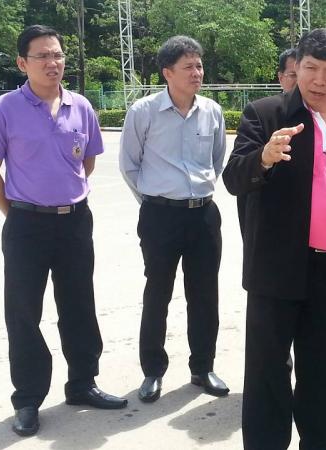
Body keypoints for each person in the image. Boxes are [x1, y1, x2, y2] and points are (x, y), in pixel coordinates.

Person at [223, 28, 326, 450]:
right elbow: (234, 178)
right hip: (277, 267)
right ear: (296, 68)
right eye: (310, 68)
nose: (318, 79)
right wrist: (263, 157)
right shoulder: (266, 115)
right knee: (268, 368)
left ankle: (320, 439)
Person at [0, 24, 127, 437]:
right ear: (22, 63)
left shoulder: (81, 107)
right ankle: (27, 399)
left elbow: (86, 162)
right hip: (26, 224)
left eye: (57, 54)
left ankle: (82, 384)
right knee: (24, 312)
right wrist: (16, 214)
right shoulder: (5, 108)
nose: (52, 62)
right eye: (42, 55)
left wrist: (65, 199)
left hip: (74, 221)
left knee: (79, 305)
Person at [119, 35, 229, 403]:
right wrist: (154, 201)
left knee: (205, 295)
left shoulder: (212, 111)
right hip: (159, 217)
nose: (197, 72)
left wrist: (197, 193)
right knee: (158, 293)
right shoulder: (143, 111)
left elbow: (216, 160)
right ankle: (153, 371)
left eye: (199, 65)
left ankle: (203, 367)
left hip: (203, 217)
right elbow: (129, 165)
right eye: (188, 67)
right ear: (168, 73)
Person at [237, 48, 299, 234]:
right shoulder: (261, 113)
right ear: (280, 77)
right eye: (293, 75)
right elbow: (234, 176)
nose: (300, 81)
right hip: (271, 227)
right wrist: (263, 158)